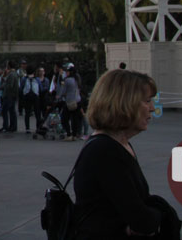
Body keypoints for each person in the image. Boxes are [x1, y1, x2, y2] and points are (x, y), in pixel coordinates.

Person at [73, 69, 171, 239]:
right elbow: (141, 220)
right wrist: (160, 213)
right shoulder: (105, 151)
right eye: (147, 101)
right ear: (125, 103)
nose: (153, 108)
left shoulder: (116, 145)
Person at [58, 64, 83, 141]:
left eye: (67, 71)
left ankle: (68, 134)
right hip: (78, 101)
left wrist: (59, 96)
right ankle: (74, 135)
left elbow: (63, 91)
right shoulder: (77, 79)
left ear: (69, 72)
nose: (66, 73)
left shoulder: (67, 80)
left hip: (70, 102)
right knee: (74, 119)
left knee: (64, 118)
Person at [20, 65, 41, 134]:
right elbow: (40, 88)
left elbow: (21, 88)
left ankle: (27, 128)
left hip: (27, 96)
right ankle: (38, 127)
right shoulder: (37, 79)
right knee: (37, 113)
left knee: (27, 113)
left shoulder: (24, 79)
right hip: (35, 96)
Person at [0, 62, 19, 133]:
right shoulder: (15, 74)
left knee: (5, 111)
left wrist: (3, 86)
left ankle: (6, 126)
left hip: (9, 95)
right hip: (12, 95)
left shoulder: (11, 75)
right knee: (11, 111)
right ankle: (12, 126)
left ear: (9, 66)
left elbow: (10, 85)